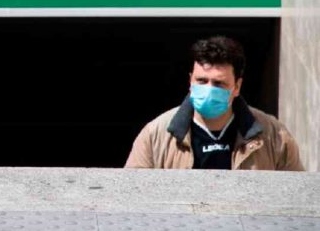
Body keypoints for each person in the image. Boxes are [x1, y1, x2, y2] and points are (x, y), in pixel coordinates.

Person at [125, 36, 303, 170]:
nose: (209, 89)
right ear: (190, 81)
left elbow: (297, 197)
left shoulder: (274, 136)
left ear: (237, 86)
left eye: (219, 83)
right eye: (201, 81)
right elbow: (133, 195)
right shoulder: (156, 135)